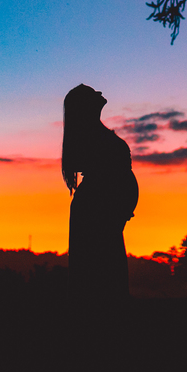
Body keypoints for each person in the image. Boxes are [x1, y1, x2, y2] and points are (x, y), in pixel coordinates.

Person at [62, 84, 138, 305]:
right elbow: (107, 176)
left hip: (104, 208)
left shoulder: (95, 135)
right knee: (98, 268)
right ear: (85, 105)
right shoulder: (90, 138)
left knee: (107, 264)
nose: (100, 93)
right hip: (97, 209)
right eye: (92, 93)